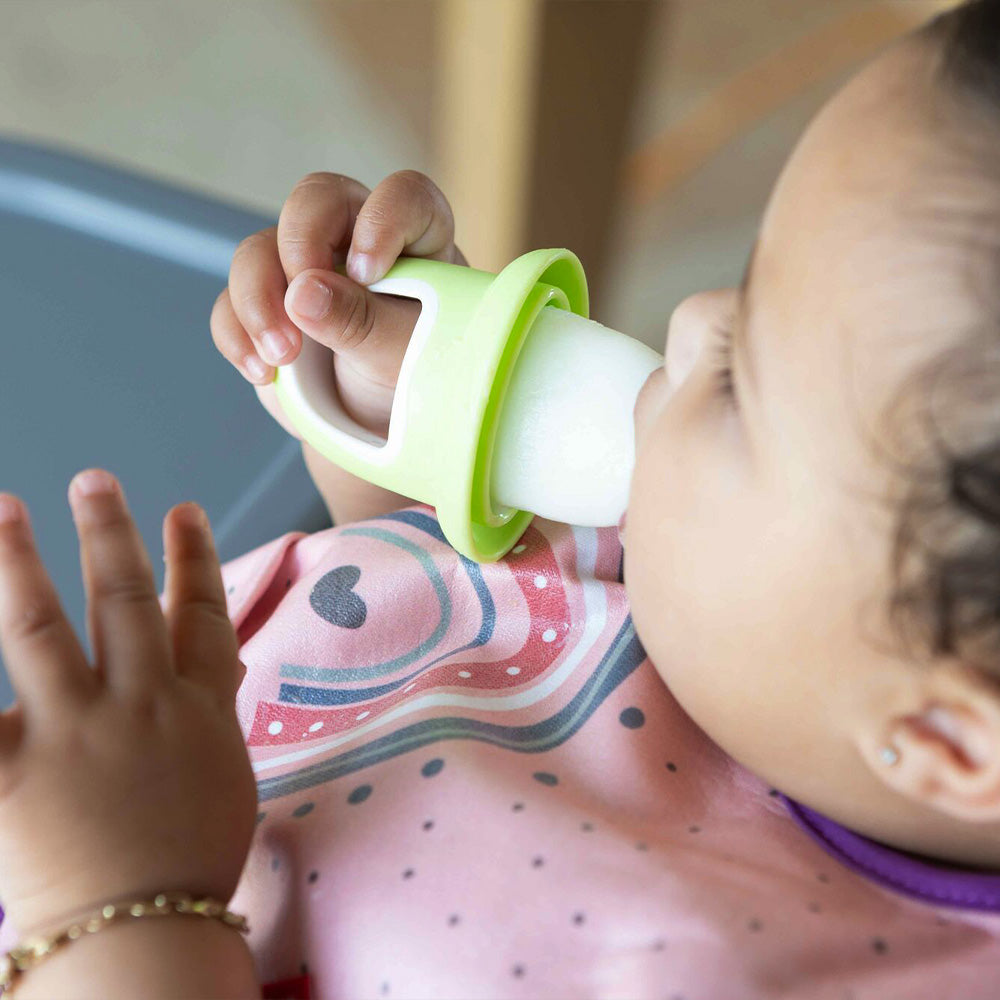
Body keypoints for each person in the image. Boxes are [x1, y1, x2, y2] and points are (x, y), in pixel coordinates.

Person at [1, 1, 1000, 997]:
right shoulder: (728, 600)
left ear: (947, 741)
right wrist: (411, 410)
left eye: (743, 377)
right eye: (741, 286)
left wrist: (120, 906)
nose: (693, 319)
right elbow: (434, 604)